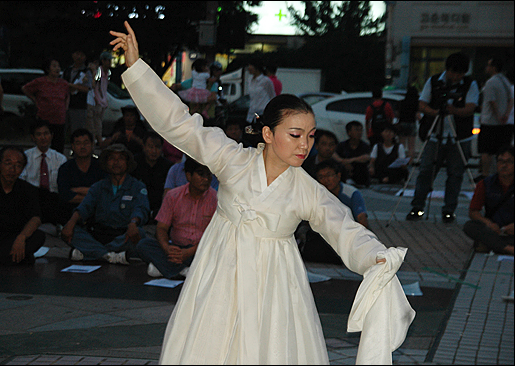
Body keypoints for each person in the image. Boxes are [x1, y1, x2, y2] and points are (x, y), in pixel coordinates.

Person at [110, 22, 414, 365]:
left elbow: (343, 228)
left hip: (275, 283)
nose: (305, 145)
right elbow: (180, 123)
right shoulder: (231, 159)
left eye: (311, 136)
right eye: (296, 134)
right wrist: (135, 68)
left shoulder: (307, 189)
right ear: (268, 134)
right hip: (219, 273)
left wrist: (374, 256)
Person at [407, 52, 479, 224]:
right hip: (435, 134)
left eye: (461, 73)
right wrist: (436, 112)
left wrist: (452, 110)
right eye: (454, 72)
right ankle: (417, 207)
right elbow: (422, 104)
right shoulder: (434, 82)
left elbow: (470, 108)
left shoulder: (470, 84)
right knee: (426, 171)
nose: (456, 77)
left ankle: (449, 211)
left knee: (456, 174)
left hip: (460, 137)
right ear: (447, 69)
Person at [61, 143, 150, 264]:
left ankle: (92, 253)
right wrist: (71, 223)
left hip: (124, 235)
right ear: (106, 163)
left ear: (127, 163)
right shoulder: (98, 186)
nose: (116, 162)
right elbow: (84, 207)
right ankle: (109, 255)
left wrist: (134, 223)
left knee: (140, 235)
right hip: (99, 234)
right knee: (70, 231)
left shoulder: (137, 186)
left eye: (121, 159)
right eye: (112, 159)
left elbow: (141, 208)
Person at [136, 157, 218, 279]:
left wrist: (190, 252)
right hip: (176, 247)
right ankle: (184, 271)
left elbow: (215, 234)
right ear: (188, 176)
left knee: (219, 252)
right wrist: (166, 248)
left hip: (202, 249)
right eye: (201, 174)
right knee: (143, 245)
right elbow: (162, 228)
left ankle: (166, 268)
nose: (206, 179)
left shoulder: (216, 198)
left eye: (209, 175)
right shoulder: (173, 196)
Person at [296, 159, 371, 264]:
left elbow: (362, 219)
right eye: (321, 177)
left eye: (329, 175)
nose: (326, 180)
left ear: (338, 176)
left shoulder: (351, 193)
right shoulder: (315, 194)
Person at [463, 144, 513, 255]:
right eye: (500, 161)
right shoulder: (486, 184)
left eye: (509, 162)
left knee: (485, 240)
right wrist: (489, 224)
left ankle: (493, 245)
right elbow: (473, 211)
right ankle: (507, 248)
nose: (504, 165)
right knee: (470, 226)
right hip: (494, 229)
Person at [20, 120, 69, 227]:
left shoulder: (60, 159)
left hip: (53, 199)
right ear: (33, 137)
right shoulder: (25, 157)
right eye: (39, 134)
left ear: (51, 136)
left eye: (46, 134)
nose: (43, 137)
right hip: (32, 199)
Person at [22, 58, 70, 153]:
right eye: (54, 66)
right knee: (43, 143)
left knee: (58, 145)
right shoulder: (40, 82)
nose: (57, 69)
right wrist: (35, 100)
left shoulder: (63, 83)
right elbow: (25, 88)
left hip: (59, 119)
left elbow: (67, 95)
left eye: (58, 66)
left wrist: (65, 108)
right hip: (45, 117)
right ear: (48, 69)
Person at [57, 128, 107, 219]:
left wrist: (76, 190)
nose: (82, 147)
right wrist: (94, 197)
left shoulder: (102, 166)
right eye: (78, 143)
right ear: (72, 146)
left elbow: (105, 192)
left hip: (99, 214)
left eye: (86, 143)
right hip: (70, 214)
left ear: (92, 145)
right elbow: (65, 195)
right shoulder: (65, 168)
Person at [478, 57, 514, 178]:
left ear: (493, 68)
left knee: (485, 150)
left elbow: (491, 101)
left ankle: (485, 174)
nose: (486, 68)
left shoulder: (491, 82)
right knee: (500, 150)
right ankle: (500, 174)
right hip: (503, 123)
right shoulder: (505, 81)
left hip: (489, 122)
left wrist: (498, 115)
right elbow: (511, 99)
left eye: (488, 65)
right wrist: (506, 114)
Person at [131, 131, 174, 222]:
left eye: (157, 147)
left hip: (160, 211)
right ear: (144, 147)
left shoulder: (168, 167)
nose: (154, 151)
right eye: (150, 147)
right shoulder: (134, 163)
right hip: (135, 207)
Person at [63, 49, 93, 135]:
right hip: (65, 105)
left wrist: (72, 86)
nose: (79, 57)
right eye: (77, 54)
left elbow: (87, 88)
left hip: (79, 106)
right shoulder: (67, 70)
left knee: (77, 132)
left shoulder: (86, 72)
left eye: (81, 54)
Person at [86, 51, 112, 146]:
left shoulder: (108, 72)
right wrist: (97, 99)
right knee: (96, 124)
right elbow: (94, 85)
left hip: (103, 101)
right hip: (97, 101)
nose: (109, 63)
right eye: (108, 60)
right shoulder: (99, 71)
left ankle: (98, 140)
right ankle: (99, 141)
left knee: (99, 122)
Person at [336, 120, 372, 187]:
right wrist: (343, 161)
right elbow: (334, 155)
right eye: (356, 130)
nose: (359, 132)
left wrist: (350, 160)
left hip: (359, 172)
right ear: (349, 132)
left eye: (360, 130)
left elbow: (366, 157)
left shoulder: (365, 146)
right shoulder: (342, 145)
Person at [245, 60, 276, 125]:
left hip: (262, 113)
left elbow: (272, 95)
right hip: (252, 113)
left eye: (250, 66)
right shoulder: (250, 80)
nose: (248, 68)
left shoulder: (266, 81)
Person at [397, 84, 420, 158]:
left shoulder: (401, 102)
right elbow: (418, 116)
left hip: (402, 123)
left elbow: (397, 114)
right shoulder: (416, 104)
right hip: (412, 123)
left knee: (402, 145)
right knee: (411, 147)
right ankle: (410, 162)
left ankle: (401, 161)